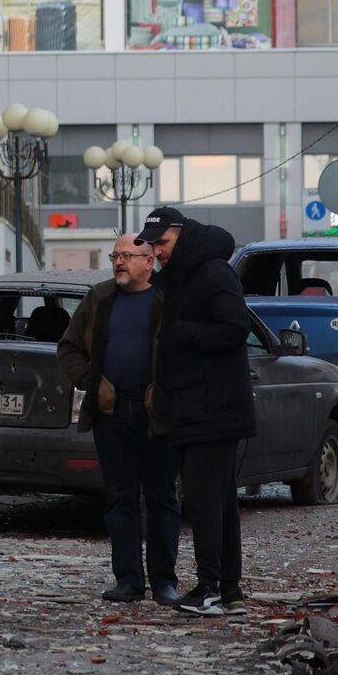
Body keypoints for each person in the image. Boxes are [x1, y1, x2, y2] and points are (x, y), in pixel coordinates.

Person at [135, 205, 255, 617]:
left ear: (181, 234)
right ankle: (230, 591)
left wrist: (179, 333)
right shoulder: (185, 277)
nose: (157, 251)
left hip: (213, 410)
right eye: (152, 245)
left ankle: (209, 590)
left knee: (205, 504)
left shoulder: (212, 273)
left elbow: (236, 329)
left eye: (162, 243)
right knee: (219, 505)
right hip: (199, 407)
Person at [58, 235, 180, 606]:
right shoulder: (99, 298)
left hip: (156, 414)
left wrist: (169, 390)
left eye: (127, 256)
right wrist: (92, 383)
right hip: (113, 413)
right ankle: (129, 579)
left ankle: (164, 582)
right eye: (115, 256)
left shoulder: (168, 297)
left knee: (162, 498)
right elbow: (69, 348)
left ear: (148, 261)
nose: (119, 262)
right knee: (120, 498)